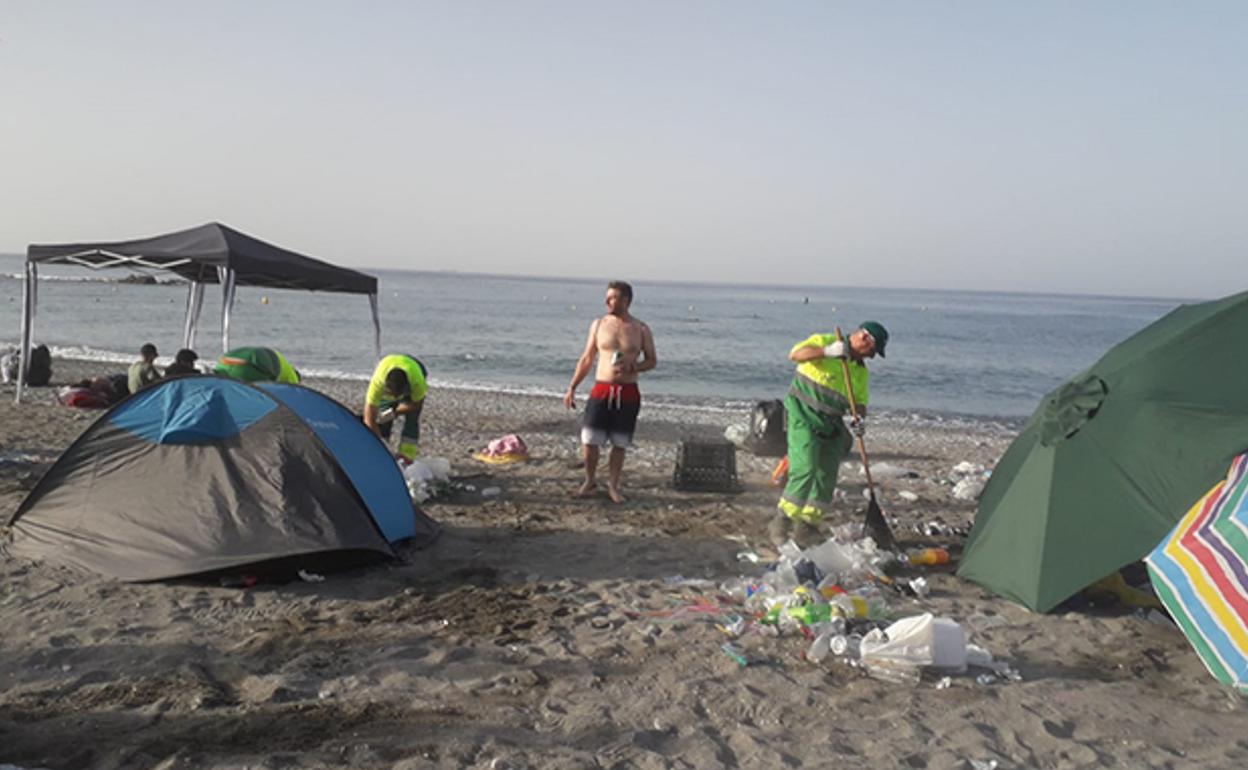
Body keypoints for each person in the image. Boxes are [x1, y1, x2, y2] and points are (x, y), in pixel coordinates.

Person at [770, 321, 890, 547]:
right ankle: (782, 521)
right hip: (804, 415)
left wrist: (858, 419)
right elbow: (796, 355)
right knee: (805, 468)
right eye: (872, 351)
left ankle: (807, 525)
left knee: (826, 476)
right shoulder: (826, 342)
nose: (872, 357)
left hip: (832, 423)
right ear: (864, 338)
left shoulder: (860, 371)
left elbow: (860, 402)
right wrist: (827, 352)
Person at [564, 280, 657, 503]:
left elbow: (652, 360)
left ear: (626, 300)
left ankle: (613, 486)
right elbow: (587, 358)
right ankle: (589, 480)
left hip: (627, 391)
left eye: (613, 297)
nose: (607, 301)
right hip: (601, 389)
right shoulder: (599, 324)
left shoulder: (640, 328)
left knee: (619, 442)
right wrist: (572, 387)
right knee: (589, 439)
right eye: (607, 297)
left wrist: (634, 366)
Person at [363, 354, 429, 462]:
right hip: (388, 366)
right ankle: (381, 449)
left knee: (412, 418)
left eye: (397, 395)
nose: (395, 398)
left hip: (415, 367)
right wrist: (380, 444)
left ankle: (407, 455)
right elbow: (368, 418)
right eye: (391, 394)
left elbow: (417, 405)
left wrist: (395, 412)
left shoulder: (417, 381)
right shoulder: (378, 382)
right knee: (383, 416)